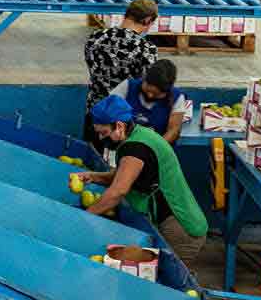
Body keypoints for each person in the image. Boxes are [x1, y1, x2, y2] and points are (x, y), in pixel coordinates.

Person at [74, 95, 209, 267]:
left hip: (179, 229)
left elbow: (118, 191)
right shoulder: (140, 134)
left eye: (104, 133)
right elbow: (121, 177)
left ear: (120, 126)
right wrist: (92, 177)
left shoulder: (135, 149)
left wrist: (84, 218)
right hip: (170, 223)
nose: (101, 139)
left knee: (165, 284)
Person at [83, 0, 159, 145]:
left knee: (91, 161)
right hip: (121, 122)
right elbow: (147, 87)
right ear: (147, 20)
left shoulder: (95, 37)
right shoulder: (146, 49)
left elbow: (91, 66)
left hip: (95, 112)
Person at [112, 59, 193, 145]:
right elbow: (108, 112)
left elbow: (173, 130)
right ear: (144, 79)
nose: (150, 95)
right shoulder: (127, 86)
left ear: (167, 91)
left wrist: (153, 148)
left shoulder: (177, 97)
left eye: (156, 94)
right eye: (147, 90)